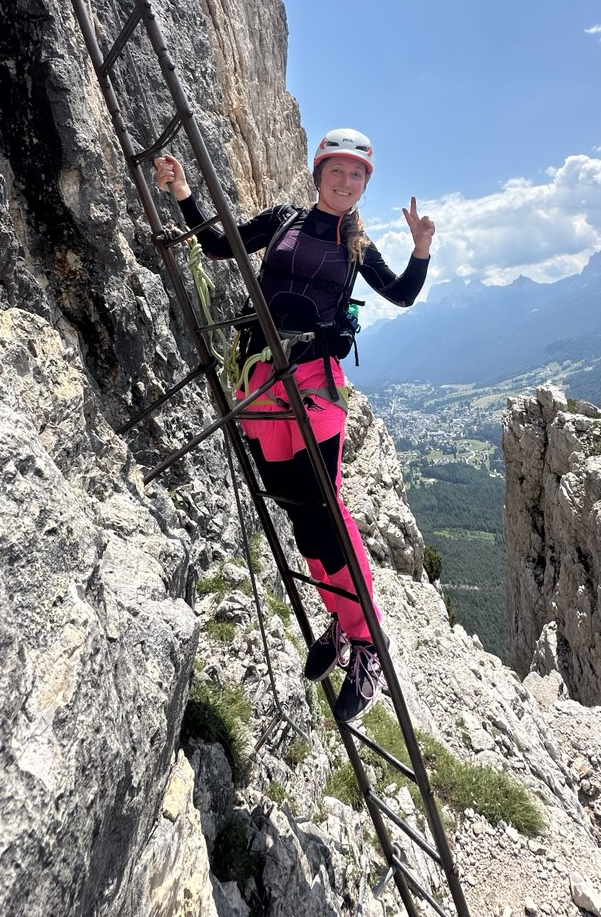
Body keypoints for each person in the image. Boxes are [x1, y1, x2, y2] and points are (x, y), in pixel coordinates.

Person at [155, 129, 434, 723]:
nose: (347, 181)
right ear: (318, 173)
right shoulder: (283, 220)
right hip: (259, 383)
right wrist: (182, 191)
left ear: (365, 185)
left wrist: (421, 249)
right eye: (338, 169)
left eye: (358, 175)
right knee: (298, 514)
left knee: (323, 510)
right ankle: (341, 619)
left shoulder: (357, 245)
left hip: (312, 384)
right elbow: (215, 245)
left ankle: (366, 642)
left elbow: (403, 295)